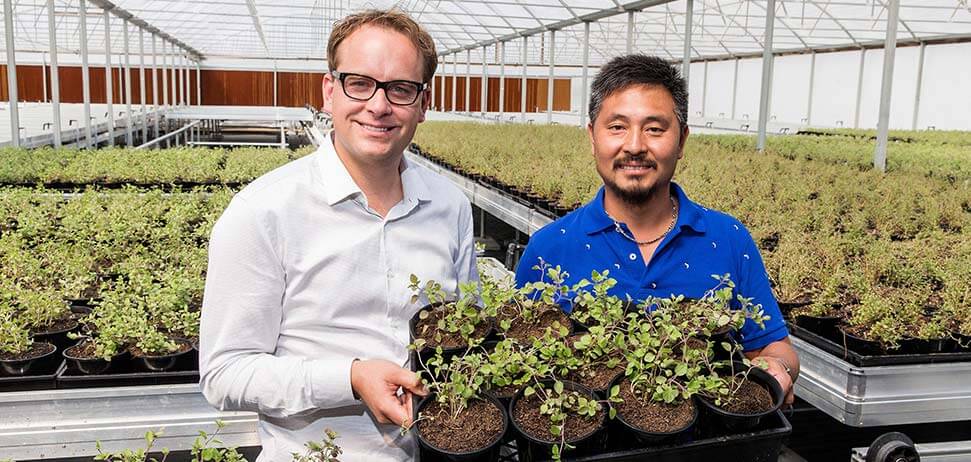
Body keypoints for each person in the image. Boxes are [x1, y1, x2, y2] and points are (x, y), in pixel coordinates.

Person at [199, 9, 477, 461]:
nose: (379, 105)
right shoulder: (263, 212)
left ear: (423, 104)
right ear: (329, 92)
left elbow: (468, 330)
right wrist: (350, 377)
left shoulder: (450, 206)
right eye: (359, 83)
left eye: (401, 89)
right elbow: (224, 373)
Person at [514, 54, 799, 404]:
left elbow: (773, 346)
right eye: (617, 127)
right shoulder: (549, 248)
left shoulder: (727, 238)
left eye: (654, 129)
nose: (634, 146)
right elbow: (519, 365)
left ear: (681, 141)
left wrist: (779, 367)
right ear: (592, 137)